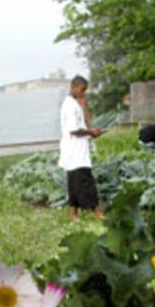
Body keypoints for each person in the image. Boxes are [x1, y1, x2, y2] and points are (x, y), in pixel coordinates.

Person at [58, 75, 104, 221]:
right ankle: (96, 210)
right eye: (82, 89)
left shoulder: (74, 103)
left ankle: (73, 213)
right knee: (86, 182)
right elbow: (74, 129)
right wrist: (91, 132)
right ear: (74, 87)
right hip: (75, 150)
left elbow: (83, 122)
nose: (83, 93)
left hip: (77, 151)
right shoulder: (70, 105)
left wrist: (84, 104)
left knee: (74, 183)